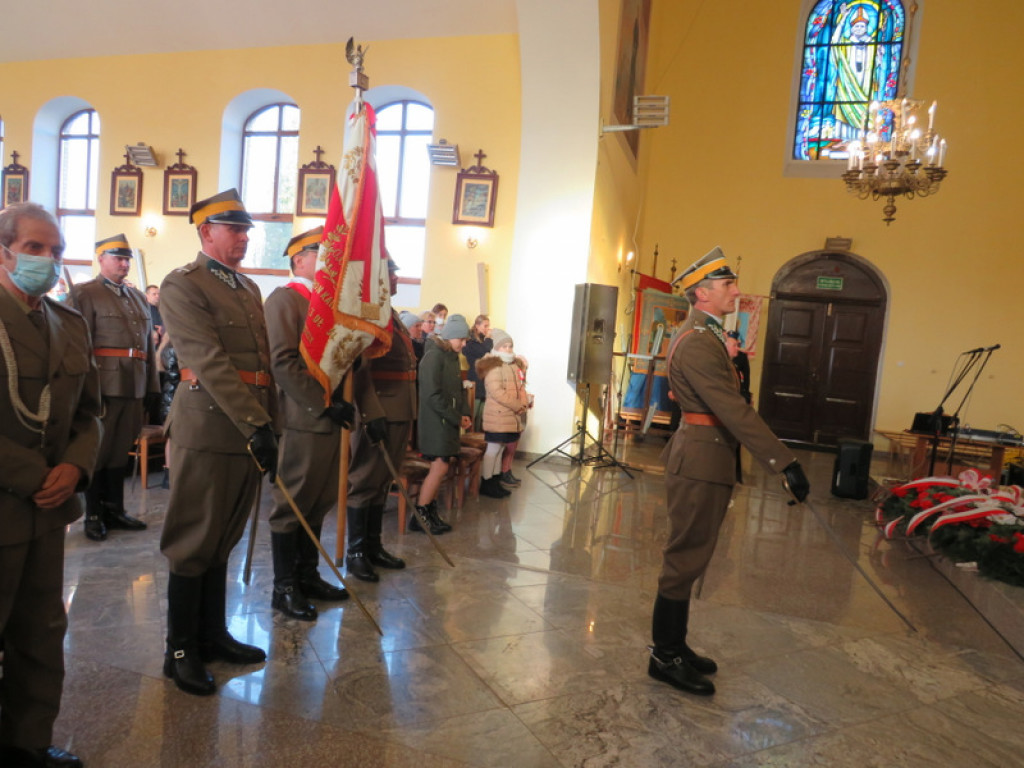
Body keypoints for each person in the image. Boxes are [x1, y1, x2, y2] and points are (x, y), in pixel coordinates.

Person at [650, 247, 809, 697]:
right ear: (702, 294)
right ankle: (664, 656)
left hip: (710, 456)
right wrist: (784, 461)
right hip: (700, 460)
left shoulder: (707, 334)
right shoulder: (699, 341)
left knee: (694, 556)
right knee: (684, 558)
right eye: (727, 285)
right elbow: (731, 408)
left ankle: (676, 645)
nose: (736, 291)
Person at [158, 188, 278, 696]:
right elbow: (208, 361)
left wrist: (270, 424)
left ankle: (212, 634)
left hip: (245, 429)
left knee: (223, 535)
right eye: (235, 229)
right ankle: (180, 649)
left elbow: (263, 367)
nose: (244, 237)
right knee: (194, 539)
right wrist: (256, 423)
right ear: (207, 232)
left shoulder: (247, 287)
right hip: (207, 427)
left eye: (247, 229)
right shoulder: (183, 284)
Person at [0, 203, 101, 768]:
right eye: (34, 248)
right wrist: (35, 475)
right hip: (7, 498)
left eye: (56, 250)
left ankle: (28, 741)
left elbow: (91, 412)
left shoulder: (69, 323)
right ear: (4, 252)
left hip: (49, 509)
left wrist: (75, 468)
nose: (48, 259)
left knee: (41, 630)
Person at [264, 227, 356, 617]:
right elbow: (282, 362)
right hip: (301, 417)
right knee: (293, 502)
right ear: (298, 259)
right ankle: (284, 586)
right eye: (321, 253)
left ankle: (307, 575)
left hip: (328, 418)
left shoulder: (329, 306)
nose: (330, 260)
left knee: (318, 501)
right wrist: (323, 404)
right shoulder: (286, 299)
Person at [70, 234, 158, 541]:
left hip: (134, 384)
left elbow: (148, 346)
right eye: (118, 258)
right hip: (103, 385)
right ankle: (93, 514)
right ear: (101, 259)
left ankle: (115, 509)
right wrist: (85, 388)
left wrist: (152, 385)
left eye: (127, 259)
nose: (124, 264)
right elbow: (78, 344)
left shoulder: (137, 297)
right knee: (100, 450)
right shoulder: (86, 293)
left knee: (120, 450)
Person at [347, 258, 411, 582]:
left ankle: (373, 546)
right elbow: (361, 370)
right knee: (365, 480)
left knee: (383, 480)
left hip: (400, 409)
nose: (396, 278)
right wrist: (371, 412)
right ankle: (357, 552)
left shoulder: (390, 314)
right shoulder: (369, 314)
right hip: (379, 409)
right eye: (391, 273)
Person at [413, 313, 472, 534]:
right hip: (435, 421)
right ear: (450, 336)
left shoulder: (452, 356)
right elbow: (432, 395)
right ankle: (420, 515)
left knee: (442, 465)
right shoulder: (434, 356)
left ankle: (429, 511)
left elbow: (458, 389)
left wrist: (464, 413)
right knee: (440, 466)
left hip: (448, 419)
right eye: (461, 339)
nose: (464, 344)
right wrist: (456, 417)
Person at [475, 329, 530, 498]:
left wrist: (523, 403)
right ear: (496, 347)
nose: (507, 349)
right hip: (497, 415)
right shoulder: (493, 365)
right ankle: (486, 483)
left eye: (510, 346)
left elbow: (520, 386)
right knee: (493, 449)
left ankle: (495, 481)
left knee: (500, 450)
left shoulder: (513, 365)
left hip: (509, 414)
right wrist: (516, 405)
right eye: (504, 346)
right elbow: (497, 392)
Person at [463, 314, 492, 431]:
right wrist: (489, 339)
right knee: (473, 414)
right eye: (485, 326)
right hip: (475, 379)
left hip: (484, 380)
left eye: (488, 326)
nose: (487, 329)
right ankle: (468, 437)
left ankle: (479, 437)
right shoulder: (470, 342)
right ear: (477, 326)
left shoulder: (482, 340)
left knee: (481, 416)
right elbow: (484, 351)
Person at [725, 330, 751, 404]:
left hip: (737, 395)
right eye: (734, 345)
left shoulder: (741, 356)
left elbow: (746, 377)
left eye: (738, 345)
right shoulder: (719, 359)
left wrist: (746, 394)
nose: (737, 348)